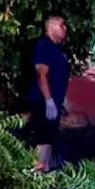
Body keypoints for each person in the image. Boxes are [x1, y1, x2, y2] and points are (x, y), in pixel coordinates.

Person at [26, 15, 70, 171]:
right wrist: (48, 101)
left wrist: (60, 102)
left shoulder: (57, 48)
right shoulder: (44, 46)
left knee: (50, 137)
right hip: (41, 101)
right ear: (51, 27)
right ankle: (36, 177)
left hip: (53, 100)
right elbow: (41, 75)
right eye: (61, 25)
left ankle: (45, 175)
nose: (65, 28)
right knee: (43, 137)